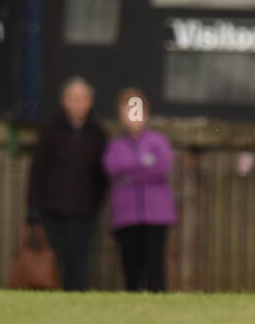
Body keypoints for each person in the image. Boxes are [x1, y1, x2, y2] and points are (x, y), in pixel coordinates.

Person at [26, 77, 108, 292]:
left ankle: (76, 299)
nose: (78, 104)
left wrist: (94, 206)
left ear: (90, 102)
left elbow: (102, 178)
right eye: (73, 98)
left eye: (83, 99)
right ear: (64, 101)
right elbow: (37, 170)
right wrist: (33, 207)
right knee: (53, 259)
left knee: (78, 261)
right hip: (51, 209)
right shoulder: (50, 130)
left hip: (82, 212)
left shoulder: (98, 133)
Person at [102, 88, 176, 292]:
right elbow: (112, 169)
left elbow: (161, 169)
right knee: (130, 267)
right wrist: (143, 167)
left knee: (155, 268)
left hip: (156, 216)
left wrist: (130, 174)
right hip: (127, 216)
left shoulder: (158, 141)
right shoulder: (116, 145)